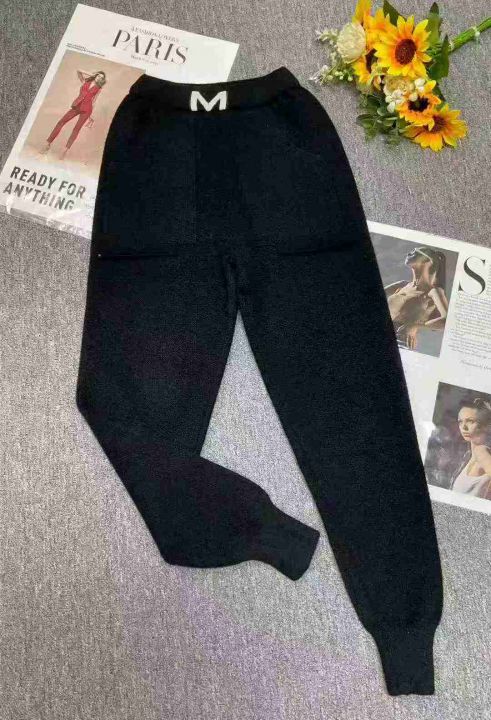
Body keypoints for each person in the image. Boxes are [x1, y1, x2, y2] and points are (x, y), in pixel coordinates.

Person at [384, 245, 449, 351]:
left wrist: (414, 326)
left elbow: (446, 322)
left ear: (427, 261)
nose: (409, 253)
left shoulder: (434, 292)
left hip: (401, 343)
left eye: (415, 252)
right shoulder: (402, 285)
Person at [41, 70, 106, 158]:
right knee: (61, 122)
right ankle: (48, 144)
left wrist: (91, 116)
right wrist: (92, 74)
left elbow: (94, 101)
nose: (99, 78)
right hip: (76, 106)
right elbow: (78, 71)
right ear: (96, 75)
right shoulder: (85, 81)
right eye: (98, 76)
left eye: (101, 78)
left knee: (76, 129)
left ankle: (65, 150)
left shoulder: (99, 88)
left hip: (87, 110)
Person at [449, 397, 491, 499]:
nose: (463, 427)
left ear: (486, 426)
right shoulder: (471, 455)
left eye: (470, 421)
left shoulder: (481, 451)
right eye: (460, 421)